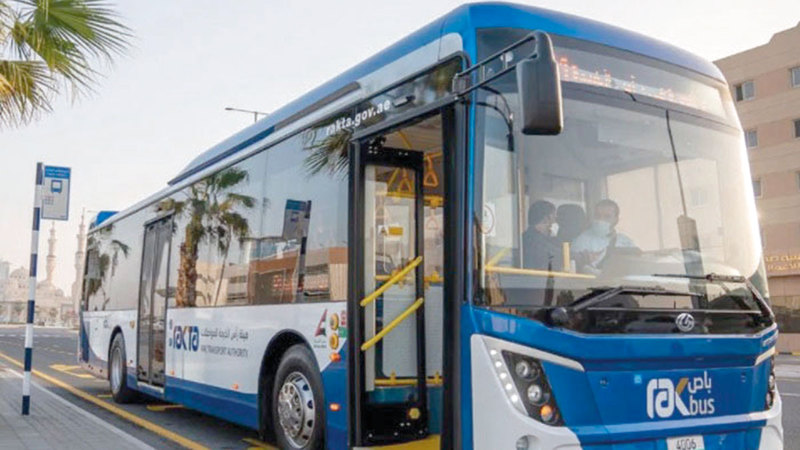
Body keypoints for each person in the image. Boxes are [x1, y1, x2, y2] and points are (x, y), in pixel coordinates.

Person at [572, 199, 637, 272]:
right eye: (598, 216)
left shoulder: (625, 242)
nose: (601, 220)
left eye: (607, 216)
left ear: (616, 220)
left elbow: (635, 266)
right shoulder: (581, 241)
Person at [521, 200, 563, 271]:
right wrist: (579, 256)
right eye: (554, 216)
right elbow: (557, 254)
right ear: (547, 218)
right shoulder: (532, 240)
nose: (555, 221)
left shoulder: (525, 237)